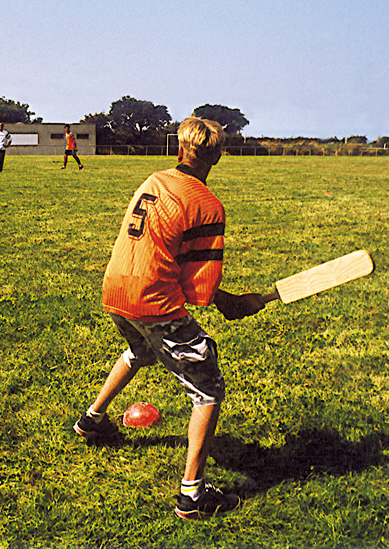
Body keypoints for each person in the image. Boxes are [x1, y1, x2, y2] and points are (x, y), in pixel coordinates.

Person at [73, 117, 265, 520]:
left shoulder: (153, 179)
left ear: (179, 149)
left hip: (115, 290)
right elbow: (198, 291)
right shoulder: (208, 205)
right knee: (208, 388)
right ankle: (192, 497)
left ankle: (92, 421)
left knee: (139, 351)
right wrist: (234, 303)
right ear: (219, 156)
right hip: (153, 299)